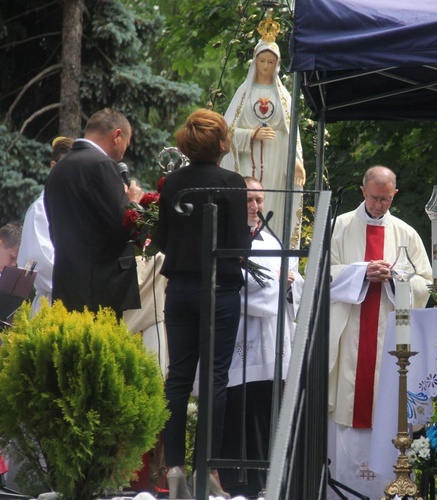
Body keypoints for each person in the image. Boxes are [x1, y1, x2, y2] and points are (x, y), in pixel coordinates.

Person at [154, 108, 247, 499]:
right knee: (214, 380)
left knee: (177, 378)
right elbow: (240, 246)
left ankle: (173, 465)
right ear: (222, 143)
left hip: (179, 289)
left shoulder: (172, 183)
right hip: (220, 290)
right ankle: (207, 468)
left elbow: (160, 238)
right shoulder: (231, 183)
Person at [328, 165, 432, 498]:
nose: (379, 205)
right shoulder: (339, 227)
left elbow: (424, 283)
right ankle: (341, 489)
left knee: (386, 409)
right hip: (348, 336)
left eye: (386, 199)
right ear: (363, 191)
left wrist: (395, 276)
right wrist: (360, 272)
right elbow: (319, 274)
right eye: (374, 198)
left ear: (394, 195)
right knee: (347, 408)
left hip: (390, 335)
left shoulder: (406, 233)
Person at [219, 177, 303, 496]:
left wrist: (291, 283)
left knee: (267, 413)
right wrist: (278, 285)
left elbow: (291, 283)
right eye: (248, 201)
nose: (255, 207)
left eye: (259, 200)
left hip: (271, 341)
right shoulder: (228, 241)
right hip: (241, 338)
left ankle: (268, 482)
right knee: (240, 412)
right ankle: (238, 484)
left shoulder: (272, 241)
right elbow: (233, 285)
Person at [44, 108, 143, 317]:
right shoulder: (102, 165)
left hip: (67, 280)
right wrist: (133, 202)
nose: (127, 148)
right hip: (100, 288)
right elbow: (121, 227)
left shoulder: (60, 168)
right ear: (116, 136)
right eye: (127, 140)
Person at [220, 19, 306, 247]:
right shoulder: (244, 93)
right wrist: (250, 134)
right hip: (247, 160)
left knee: (274, 205)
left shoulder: (283, 96)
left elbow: (292, 133)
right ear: (255, 62)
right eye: (262, 61)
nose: (266, 66)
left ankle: (276, 249)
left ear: (277, 64)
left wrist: (296, 161)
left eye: (270, 62)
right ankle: (241, 248)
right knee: (248, 202)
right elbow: (227, 132)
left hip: (277, 159)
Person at [17, 136, 74, 314]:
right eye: (68, 168)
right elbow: (42, 263)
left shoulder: (75, 206)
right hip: (52, 303)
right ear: (53, 167)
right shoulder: (41, 209)